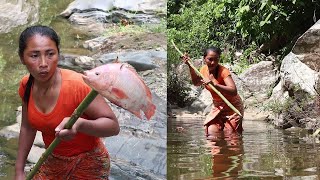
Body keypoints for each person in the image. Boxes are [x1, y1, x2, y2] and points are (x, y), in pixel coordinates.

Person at [15, 25, 120, 179]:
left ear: (58, 54)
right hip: (53, 159)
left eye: (50, 54)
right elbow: (27, 127)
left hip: (89, 162)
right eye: (34, 55)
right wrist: (19, 170)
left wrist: (80, 124)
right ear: (22, 58)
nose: (43, 63)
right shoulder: (27, 85)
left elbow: (113, 126)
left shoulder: (78, 86)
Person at [182, 47, 244, 136]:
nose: (213, 63)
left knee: (231, 135)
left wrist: (216, 85)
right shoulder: (203, 70)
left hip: (233, 106)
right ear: (204, 59)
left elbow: (233, 91)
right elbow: (196, 82)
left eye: (216, 60)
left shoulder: (224, 71)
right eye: (210, 59)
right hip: (218, 106)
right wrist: (190, 66)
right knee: (211, 132)